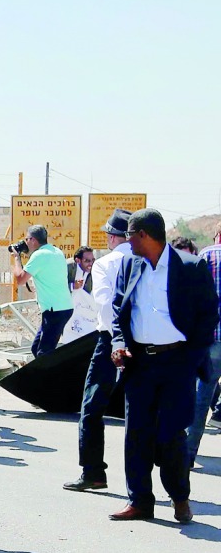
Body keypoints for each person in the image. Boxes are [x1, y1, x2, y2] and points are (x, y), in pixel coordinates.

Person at [107, 209, 218, 524]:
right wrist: (118, 344)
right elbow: (118, 310)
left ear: (143, 235)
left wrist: (190, 359)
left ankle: (179, 497)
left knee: (171, 434)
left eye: (129, 236)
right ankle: (139, 501)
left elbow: (208, 316)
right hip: (139, 363)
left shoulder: (190, 267)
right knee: (136, 434)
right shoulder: (130, 265)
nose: (126, 242)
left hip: (176, 364)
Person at [64, 209, 132, 491]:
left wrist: (117, 340)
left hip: (110, 340)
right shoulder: (146, 259)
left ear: (112, 237)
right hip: (144, 341)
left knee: (92, 406)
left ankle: (93, 471)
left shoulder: (106, 264)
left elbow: (104, 306)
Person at [186, 227, 221, 470]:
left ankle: (188, 453)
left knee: (201, 396)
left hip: (212, 336)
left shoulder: (208, 255)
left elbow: (190, 294)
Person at [10, 225, 74, 357]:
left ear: (33, 240)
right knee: (36, 349)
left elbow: (20, 279)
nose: (25, 242)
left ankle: (55, 371)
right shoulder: (56, 251)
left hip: (54, 310)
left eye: (27, 239)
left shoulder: (39, 255)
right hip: (63, 308)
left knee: (43, 353)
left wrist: (17, 257)